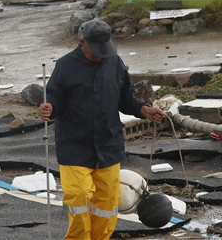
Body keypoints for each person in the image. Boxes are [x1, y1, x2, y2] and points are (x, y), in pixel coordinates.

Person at [38, 20, 166, 240]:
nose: (101, 55)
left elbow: (126, 100)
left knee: (107, 202)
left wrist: (144, 110)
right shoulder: (65, 65)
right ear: (82, 42)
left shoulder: (115, 63)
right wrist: (50, 108)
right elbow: (55, 98)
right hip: (75, 146)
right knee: (78, 197)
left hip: (108, 144)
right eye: (97, 50)